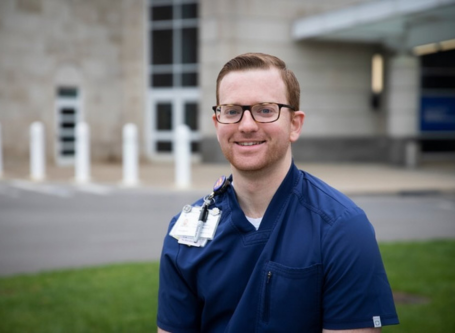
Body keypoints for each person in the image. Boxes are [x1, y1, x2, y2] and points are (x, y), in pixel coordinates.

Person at [157, 53, 399, 332]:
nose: (246, 125)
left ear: (294, 124)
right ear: (217, 124)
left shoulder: (342, 228)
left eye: (265, 109)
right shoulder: (184, 234)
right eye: (232, 110)